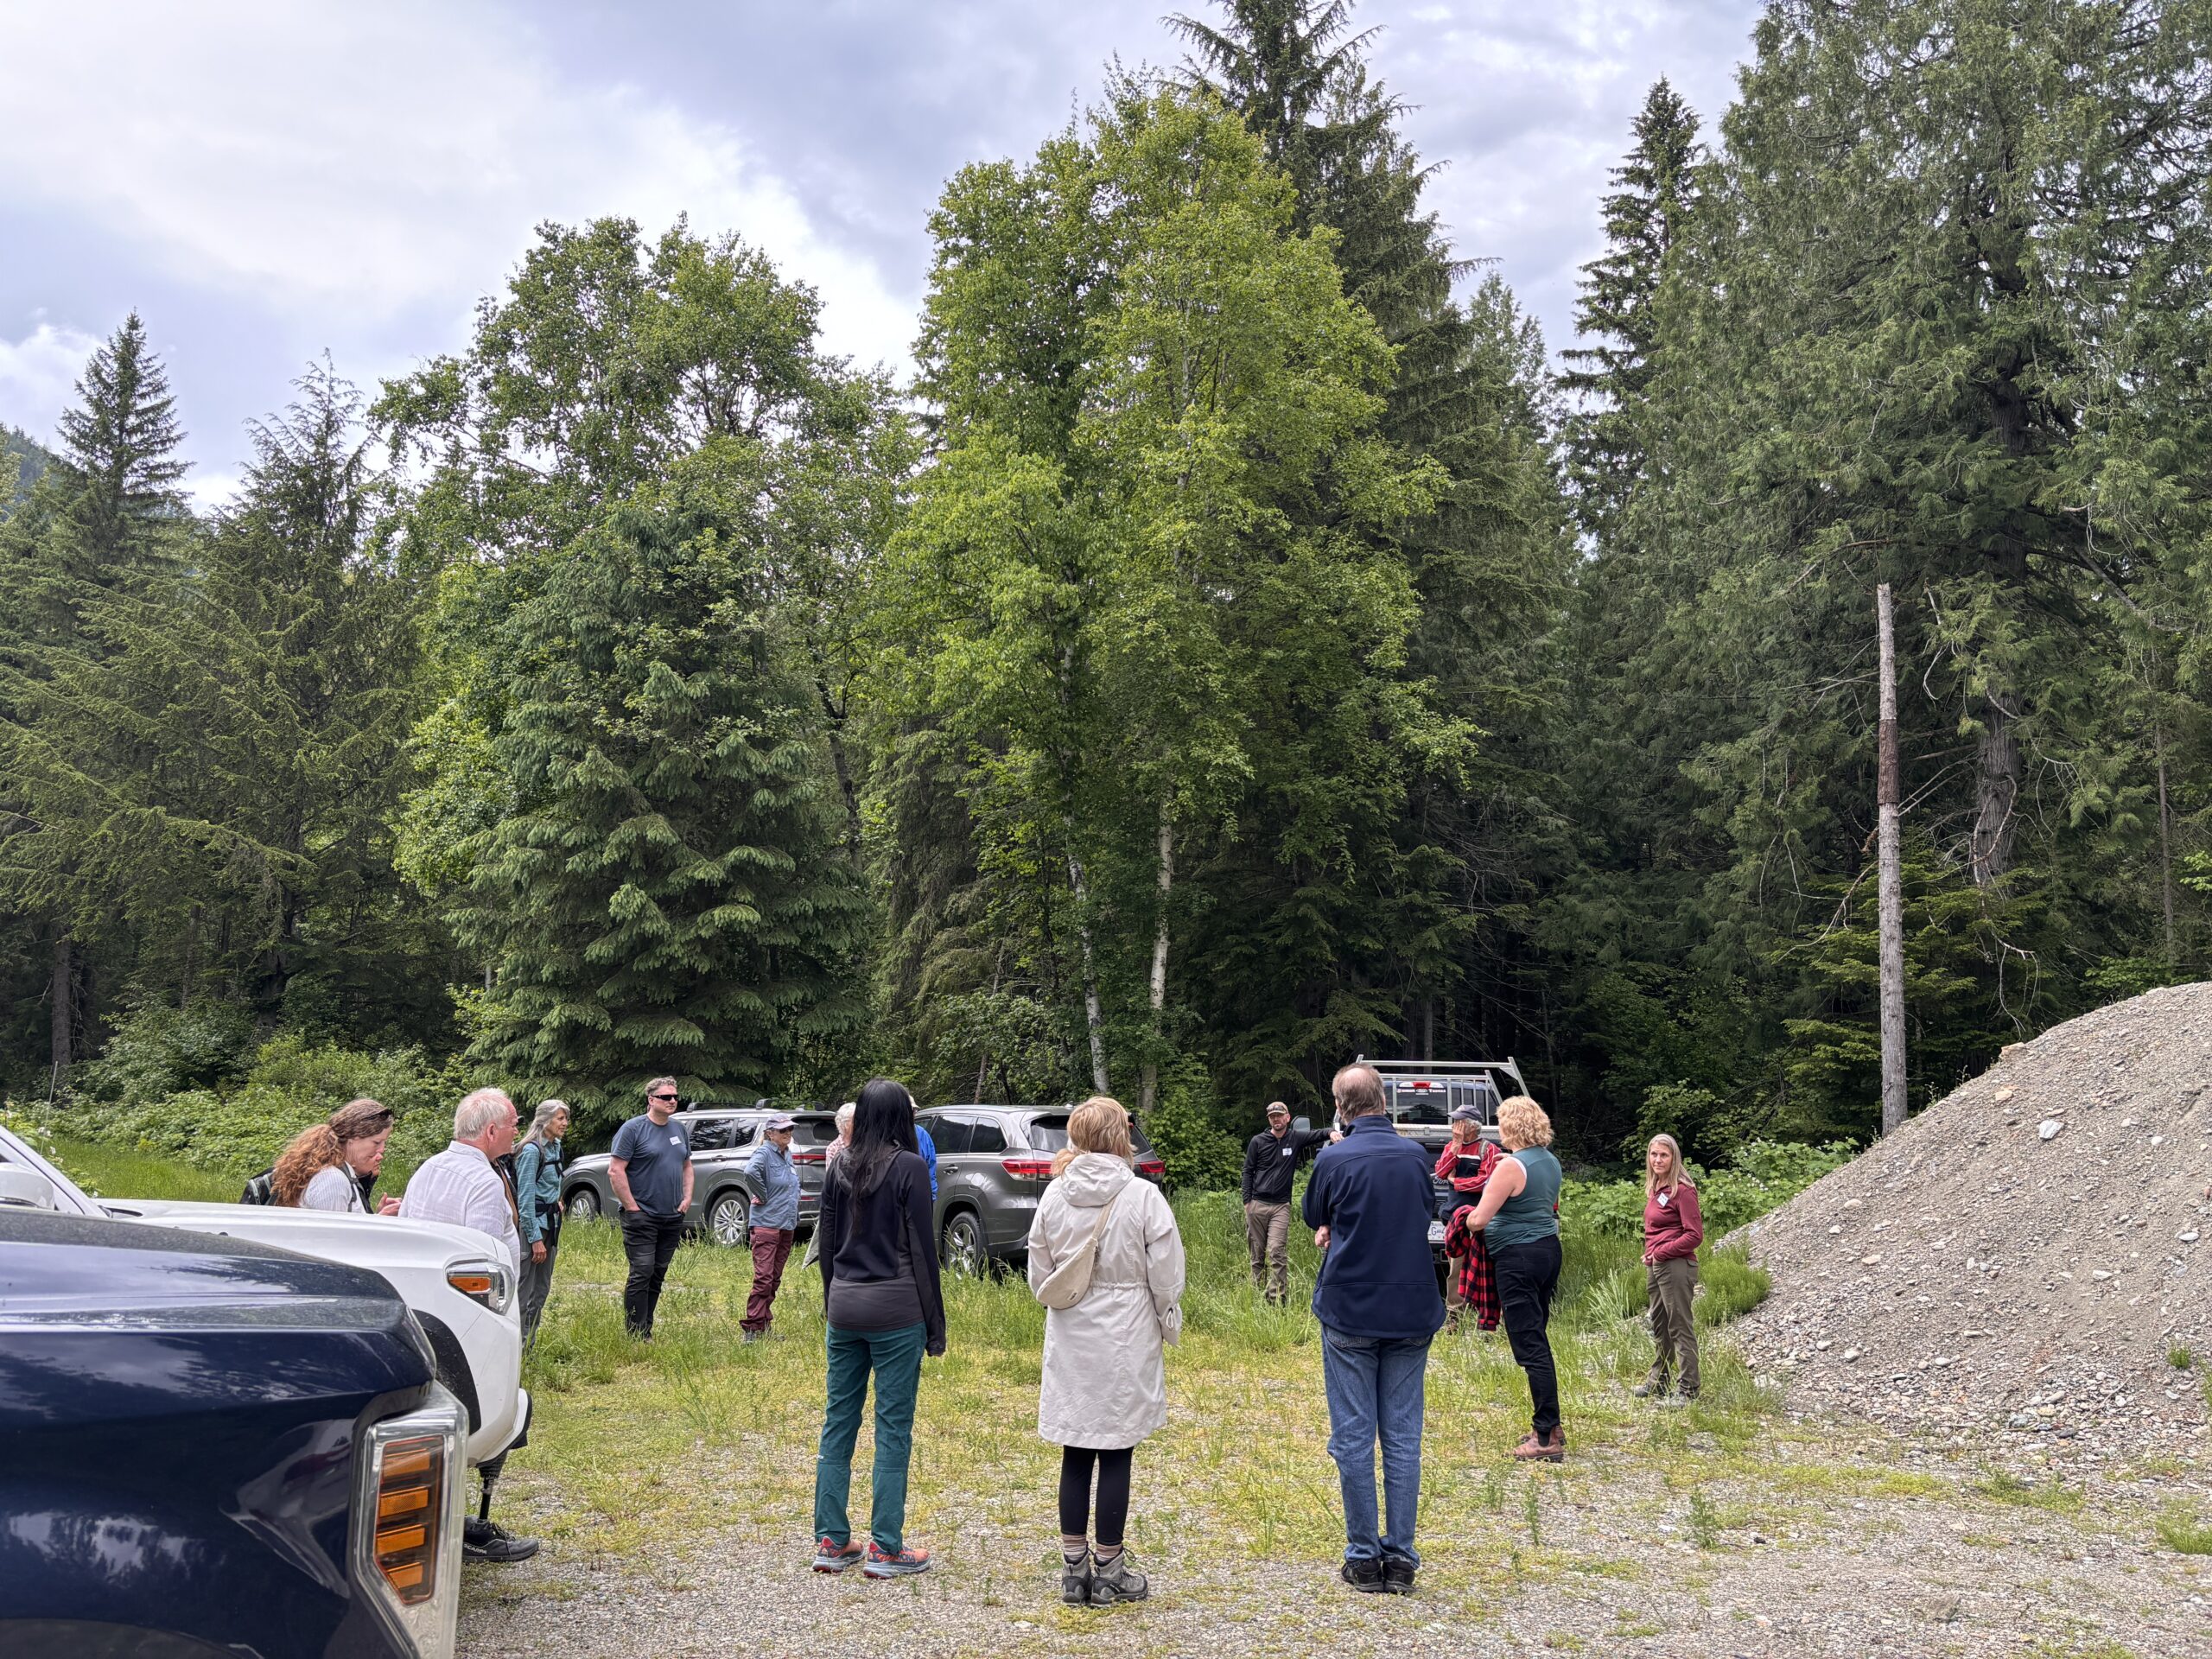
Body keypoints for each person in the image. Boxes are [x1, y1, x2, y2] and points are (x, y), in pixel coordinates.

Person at [1027, 1095, 1185, 1607]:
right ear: (1121, 1137)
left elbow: (1039, 1272)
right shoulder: (1142, 1196)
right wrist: (1166, 1316)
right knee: (1117, 1449)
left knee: (1076, 1448)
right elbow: (1167, 1273)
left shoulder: (1054, 1196)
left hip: (1072, 1328)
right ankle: (1111, 1570)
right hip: (1127, 1330)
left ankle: (1074, 1572)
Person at [1302, 1064, 1444, 1595]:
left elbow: (1313, 1211)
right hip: (1411, 1308)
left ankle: (1363, 1556)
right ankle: (1401, 1557)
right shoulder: (1415, 1155)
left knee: (1354, 1436)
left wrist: (1333, 1226)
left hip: (1350, 1308)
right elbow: (1427, 1210)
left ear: (1341, 1105)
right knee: (1403, 1437)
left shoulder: (1335, 1156)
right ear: (1383, 1100)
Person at [397, 1085, 537, 1564]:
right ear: (492, 1130)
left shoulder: (428, 1168)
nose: (519, 1131)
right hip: (471, 1318)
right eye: (514, 1123)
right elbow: (483, 1261)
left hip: (426, 1314)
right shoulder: (481, 1180)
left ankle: (437, 1522)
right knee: (488, 1414)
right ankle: (467, 1528)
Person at [811, 1078, 944, 1580]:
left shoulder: (838, 1165)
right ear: (900, 1119)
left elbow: (826, 1244)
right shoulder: (909, 1167)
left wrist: (833, 1300)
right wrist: (936, 1324)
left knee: (838, 1419)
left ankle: (831, 1540)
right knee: (893, 1428)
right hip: (896, 1308)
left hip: (845, 1304)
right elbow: (923, 1253)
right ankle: (886, 1548)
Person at [1460, 1095, 1565, 1462]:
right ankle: (1548, 1425)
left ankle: (1546, 1434)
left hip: (1518, 1258)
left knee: (1530, 1345)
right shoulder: (1549, 1161)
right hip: (1547, 1251)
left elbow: (1478, 1220)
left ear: (1511, 1126)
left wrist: (1462, 1214)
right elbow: (1533, 1194)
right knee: (1538, 1335)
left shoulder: (1509, 1168)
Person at [609, 1077, 693, 1339]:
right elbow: (616, 1170)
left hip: (672, 1216)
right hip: (642, 1215)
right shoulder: (633, 1129)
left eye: (675, 1097)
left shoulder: (678, 1130)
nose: (672, 1101)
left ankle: (647, 1329)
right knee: (641, 1272)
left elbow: (687, 1166)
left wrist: (687, 1197)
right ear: (651, 1100)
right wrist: (632, 1207)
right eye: (666, 1097)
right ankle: (634, 1334)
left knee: (658, 1273)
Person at [1240, 1100, 1331, 1305]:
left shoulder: (1294, 1138)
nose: (1276, 1119)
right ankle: (1256, 1295)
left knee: (1276, 1250)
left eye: (1280, 1115)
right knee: (1256, 1254)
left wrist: (1332, 1132)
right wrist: (1247, 1202)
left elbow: (1318, 1134)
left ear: (1288, 1117)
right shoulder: (1258, 1141)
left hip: (1281, 1206)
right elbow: (1247, 1171)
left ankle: (1277, 1299)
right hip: (1257, 1205)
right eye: (1273, 1117)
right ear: (1269, 1120)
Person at [1637, 1133, 1702, 1402]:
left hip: (1676, 1265)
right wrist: (1651, 1253)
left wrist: (1661, 1252)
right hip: (1658, 1265)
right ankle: (1658, 1381)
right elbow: (1658, 1230)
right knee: (1660, 1325)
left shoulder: (1682, 1190)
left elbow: (1694, 1235)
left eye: (1664, 1155)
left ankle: (1688, 1389)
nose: (1658, 1160)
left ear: (1674, 1158)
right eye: (1654, 1155)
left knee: (1679, 1326)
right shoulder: (1656, 1188)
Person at [271, 1098, 404, 1214]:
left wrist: (378, 1219)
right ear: (353, 1138)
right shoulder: (332, 1180)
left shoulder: (336, 1172)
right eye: (377, 1142)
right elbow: (333, 1239)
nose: (382, 1149)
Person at [1435, 1104, 1502, 1331]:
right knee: (1456, 1269)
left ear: (1472, 1126)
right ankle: (1454, 1318)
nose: (1454, 1126)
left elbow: (1485, 1182)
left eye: (1458, 1122)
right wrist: (1454, 1147)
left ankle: (1486, 1318)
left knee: (1484, 1269)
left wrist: (1458, 1182)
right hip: (1456, 1221)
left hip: (1481, 1219)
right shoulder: (1451, 1147)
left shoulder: (1488, 1149)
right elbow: (1442, 1172)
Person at [513, 1100, 569, 1344]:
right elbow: (524, 1201)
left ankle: (530, 1344)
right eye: (560, 1119)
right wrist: (535, 1239)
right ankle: (517, 1347)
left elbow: (548, 1185)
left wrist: (555, 1202)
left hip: (551, 1225)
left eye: (566, 1118)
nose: (565, 1123)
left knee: (542, 1289)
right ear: (545, 1120)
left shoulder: (556, 1148)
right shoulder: (531, 1151)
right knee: (524, 1291)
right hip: (532, 1230)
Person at [741, 1112, 801, 1341]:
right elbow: (750, 1172)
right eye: (783, 1130)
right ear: (770, 1133)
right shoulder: (765, 1152)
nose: (788, 1133)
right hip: (766, 1223)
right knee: (764, 1277)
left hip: (785, 1223)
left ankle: (764, 1325)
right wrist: (762, 1194)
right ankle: (753, 1328)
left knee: (775, 1277)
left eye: (790, 1130)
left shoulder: (787, 1155)